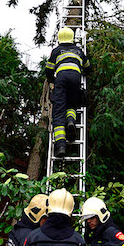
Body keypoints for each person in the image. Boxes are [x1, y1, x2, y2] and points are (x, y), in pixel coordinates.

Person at [45, 26, 91, 157]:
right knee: (72, 103)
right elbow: (88, 67)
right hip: (76, 78)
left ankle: (60, 146)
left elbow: (49, 69)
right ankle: (71, 121)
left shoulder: (56, 51)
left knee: (58, 111)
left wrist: (50, 80)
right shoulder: (78, 50)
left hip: (61, 78)